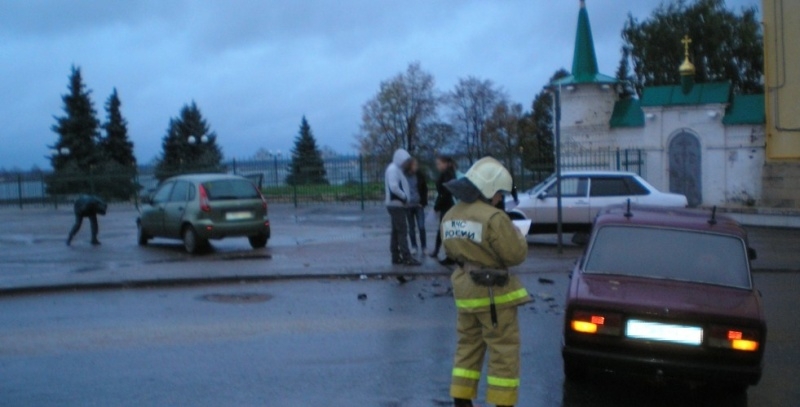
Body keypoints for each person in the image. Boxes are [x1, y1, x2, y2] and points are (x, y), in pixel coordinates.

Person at [442, 157, 530, 407]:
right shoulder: (494, 218)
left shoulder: (450, 215)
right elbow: (515, 255)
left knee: (467, 346)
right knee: (503, 349)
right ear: (489, 190)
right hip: (494, 296)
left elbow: (450, 250)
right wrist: (517, 235)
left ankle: (461, 399)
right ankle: (502, 402)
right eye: (499, 193)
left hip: (465, 292)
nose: (501, 198)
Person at [384, 148, 421, 266]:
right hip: (396, 204)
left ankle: (396, 256)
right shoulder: (394, 170)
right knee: (402, 231)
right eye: (406, 161)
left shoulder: (395, 169)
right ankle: (406, 257)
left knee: (396, 231)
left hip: (395, 204)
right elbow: (394, 187)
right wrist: (404, 197)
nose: (407, 164)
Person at [430, 155, 456, 260]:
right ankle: (440, 251)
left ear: (445, 163)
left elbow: (444, 192)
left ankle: (448, 255)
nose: (438, 166)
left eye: (439, 164)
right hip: (448, 204)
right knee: (445, 229)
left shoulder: (447, 175)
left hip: (447, 205)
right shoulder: (449, 173)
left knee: (445, 230)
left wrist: (437, 205)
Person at [404, 158, 428, 256]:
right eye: (414, 165)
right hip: (408, 205)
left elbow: (424, 189)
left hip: (418, 205)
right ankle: (414, 246)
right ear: (410, 166)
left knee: (421, 227)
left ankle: (424, 246)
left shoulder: (419, 175)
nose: (416, 167)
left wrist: (423, 202)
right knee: (411, 227)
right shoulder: (404, 176)